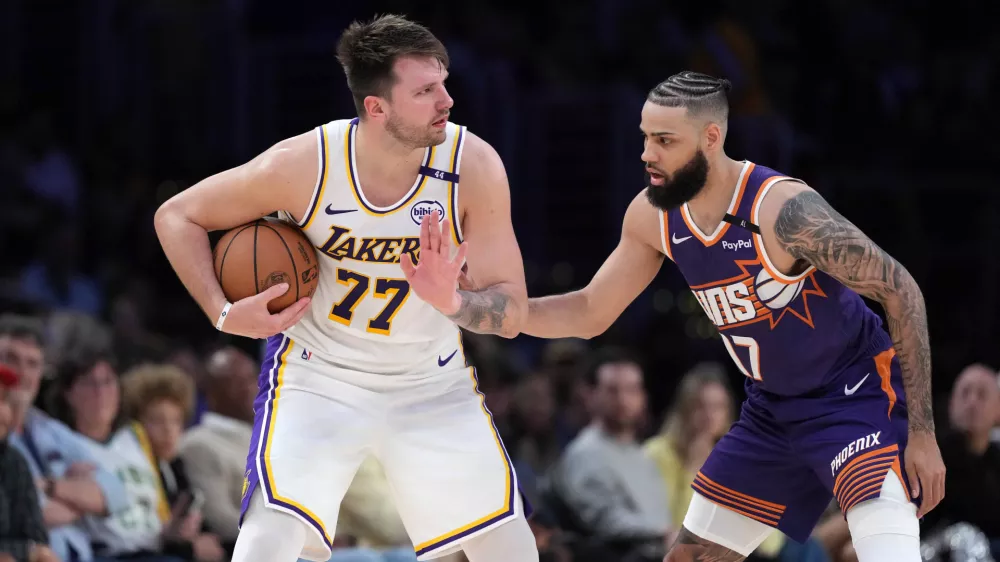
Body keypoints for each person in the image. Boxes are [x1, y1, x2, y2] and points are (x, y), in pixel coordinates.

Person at [154, 13, 535, 562]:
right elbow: (178, 216)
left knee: (511, 550)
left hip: (429, 380)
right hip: (319, 373)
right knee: (270, 539)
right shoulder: (305, 164)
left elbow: (513, 308)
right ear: (376, 108)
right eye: (426, 90)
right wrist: (221, 311)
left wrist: (452, 301)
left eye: (444, 82)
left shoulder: (472, 165)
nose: (447, 100)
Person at [523, 71, 946, 562]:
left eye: (664, 140)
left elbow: (902, 291)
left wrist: (923, 433)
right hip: (771, 409)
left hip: (850, 394)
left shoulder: (782, 211)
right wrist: (504, 314)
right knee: (691, 557)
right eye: (644, 137)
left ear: (711, 137)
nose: (647, 154)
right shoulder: (653, 215)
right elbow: (591, 310)